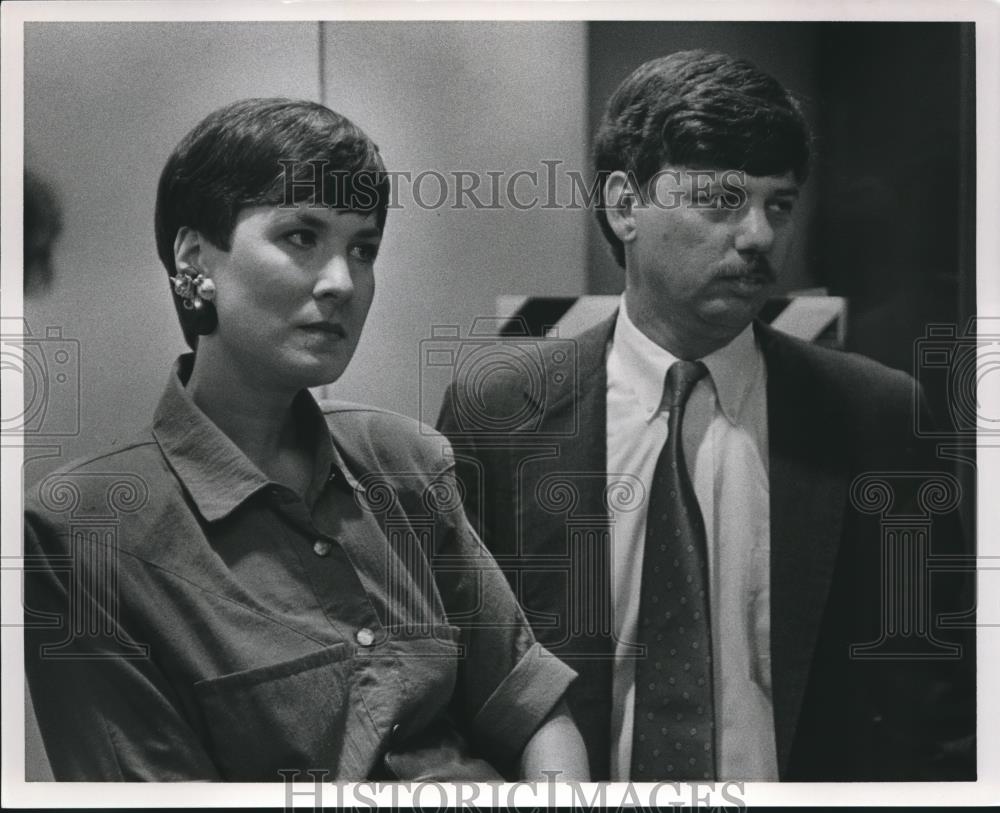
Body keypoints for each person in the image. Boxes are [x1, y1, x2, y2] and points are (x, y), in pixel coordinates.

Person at [437, 51, 974, 781]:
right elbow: (452, 680)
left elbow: (934, 698)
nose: (759, 237)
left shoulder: (877, 417)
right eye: (722, 201)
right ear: (625, 205)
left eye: (778, 205)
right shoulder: (500, 413)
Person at [24, 98, 588, 782]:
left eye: (363, 249)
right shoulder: (85, 531)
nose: (341, 282)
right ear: (195, 256)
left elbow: (534, 711)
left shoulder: (406, 459)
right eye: (300, 236)